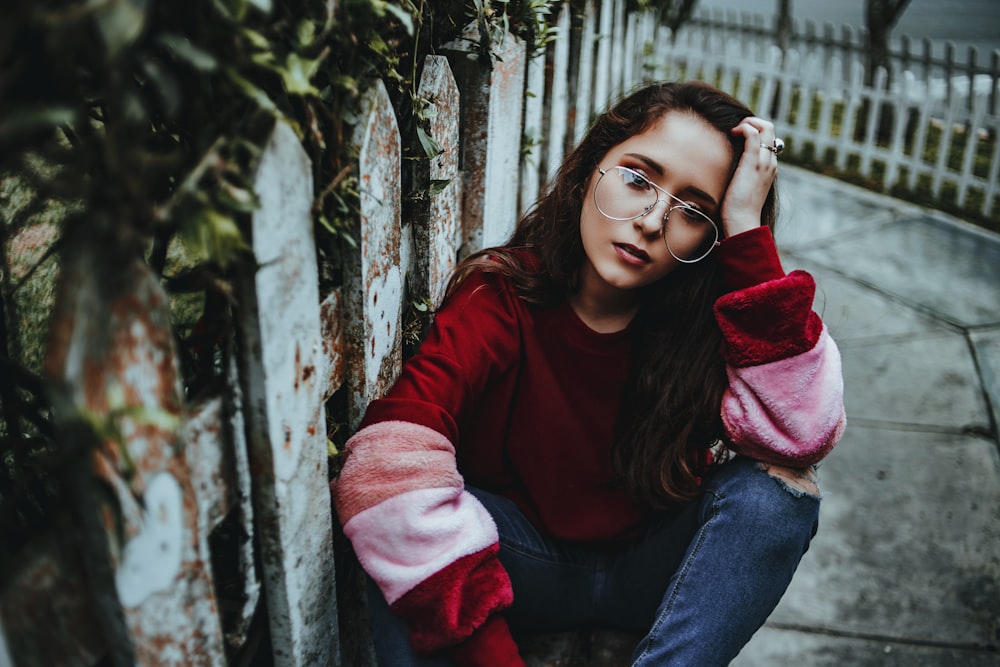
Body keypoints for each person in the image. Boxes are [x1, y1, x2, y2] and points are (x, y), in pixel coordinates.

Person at [331, 80, 846, 666]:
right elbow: (383, 466)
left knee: (777, 497)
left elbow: (804, 434)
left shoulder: (711, 327)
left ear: (712, 235)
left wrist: (748, 232)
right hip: (521, 562)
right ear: (588, 172)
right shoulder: (502, 295)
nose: (653, 221)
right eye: (637, 178)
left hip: (650, 571)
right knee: (396, 524)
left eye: (692, 211)